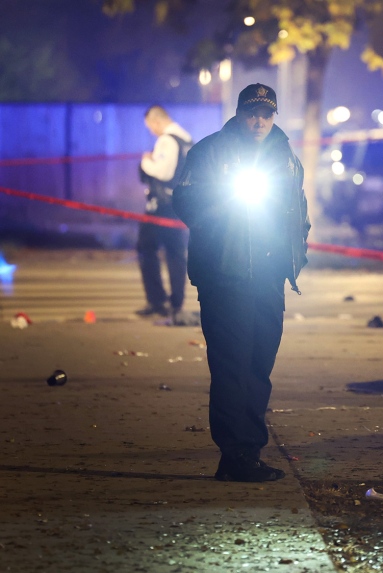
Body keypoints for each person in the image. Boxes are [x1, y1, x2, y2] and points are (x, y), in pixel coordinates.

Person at [173, 84, 310, 482]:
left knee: (258, 366)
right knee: (232, 365)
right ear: (239, 113)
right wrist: (220, 212)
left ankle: (249, 450)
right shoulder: (211, 151)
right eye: (252, 113)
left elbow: (297, 208)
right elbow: (184, 201)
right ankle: (233, 456)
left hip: (269, 276)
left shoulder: (285, 157)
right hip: (224, 275)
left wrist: (295, 252)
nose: (259, 122)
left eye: (267, 115)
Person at [137, 105, 191, 321]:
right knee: (176, 253)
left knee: (145, 247)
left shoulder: (167, 140)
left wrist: (146, 161)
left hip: (162, 206)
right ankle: (176, 302)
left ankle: (157, 301)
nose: (151, 131)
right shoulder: (187, 139)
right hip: (180, 205)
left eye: (150, 126)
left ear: (156, 120)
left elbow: (163, 171)